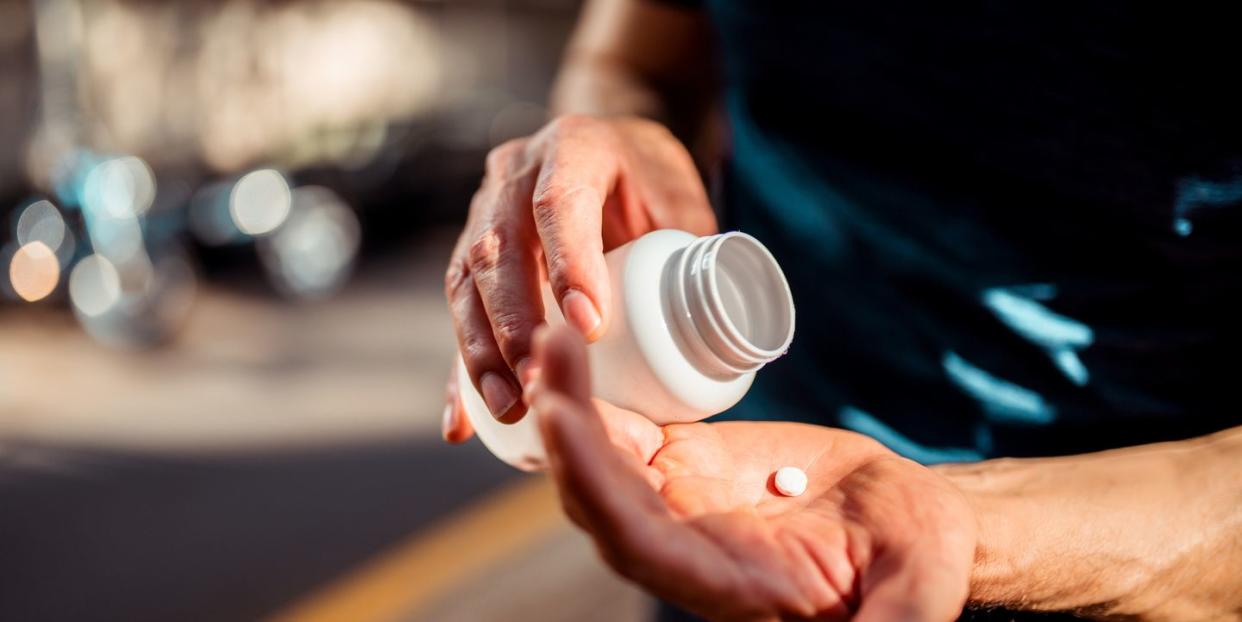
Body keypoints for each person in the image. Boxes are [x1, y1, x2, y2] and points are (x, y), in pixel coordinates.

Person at [440, 1, 1242, 620]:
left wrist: (966, 524)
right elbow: (629, 54)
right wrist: (623, 124)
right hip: (734, 515)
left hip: (1135, 559)